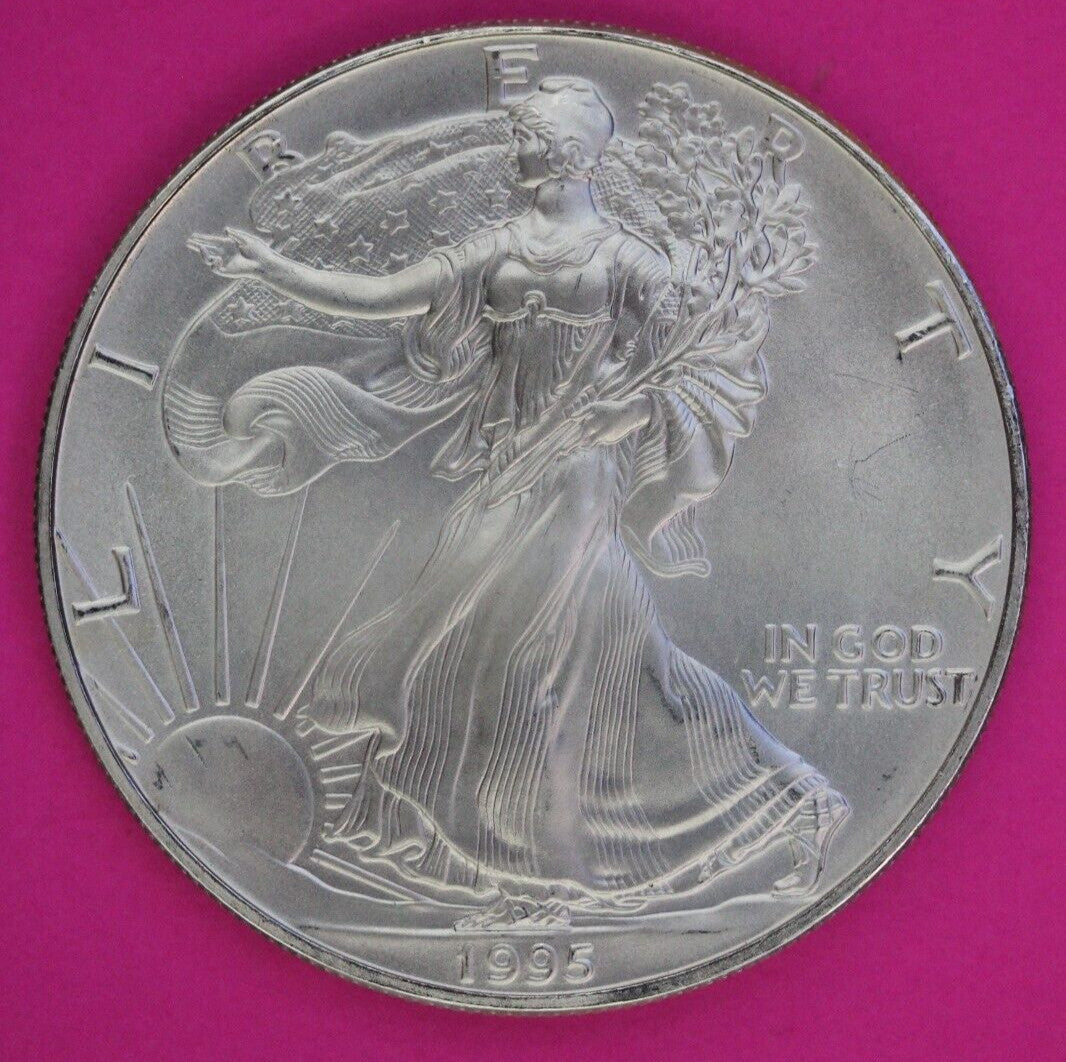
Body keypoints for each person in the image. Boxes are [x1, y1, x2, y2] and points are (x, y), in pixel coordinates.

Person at [188, 78, 847, 923]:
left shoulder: (628, 261)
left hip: (578, 480)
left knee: (531, 665)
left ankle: (541, 875)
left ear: (567, 155)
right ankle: (781, 801)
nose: (517, 150)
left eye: (529, 137)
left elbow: (708, 362)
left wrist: (633, 412)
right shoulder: (495, 248)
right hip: (504, 472)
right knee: (493, 654)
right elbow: (383, 296)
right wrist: (274, 269)